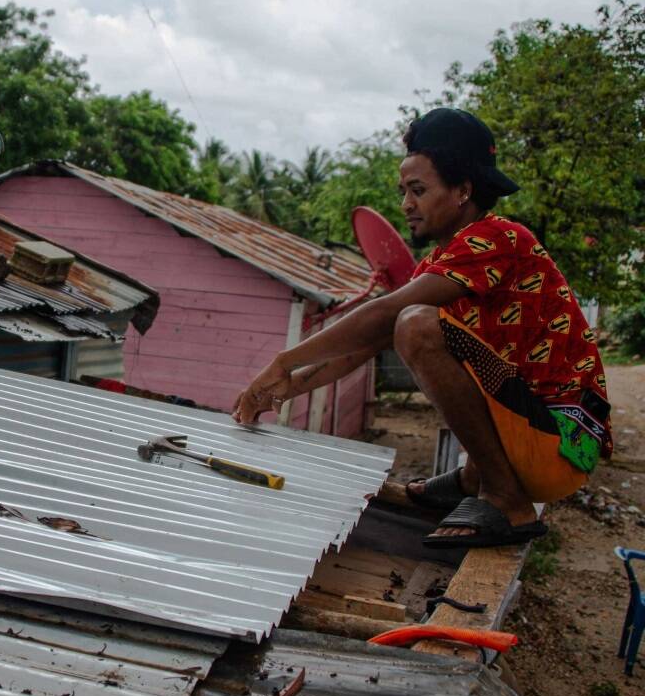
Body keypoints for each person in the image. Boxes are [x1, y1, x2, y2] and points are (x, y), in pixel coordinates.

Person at [232, 108, 611, 549]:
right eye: (403, 191)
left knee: (415, 324)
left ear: (463, 191)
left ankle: (504, 498)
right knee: (407, 321)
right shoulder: (444, 262)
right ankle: (473, 480)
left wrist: (284, 359)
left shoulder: (499, 237)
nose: (405, 205)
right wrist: (282, 388)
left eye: (418, 190)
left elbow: (388, 313)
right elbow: (366, 341)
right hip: (533, 436)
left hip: (558, 442)